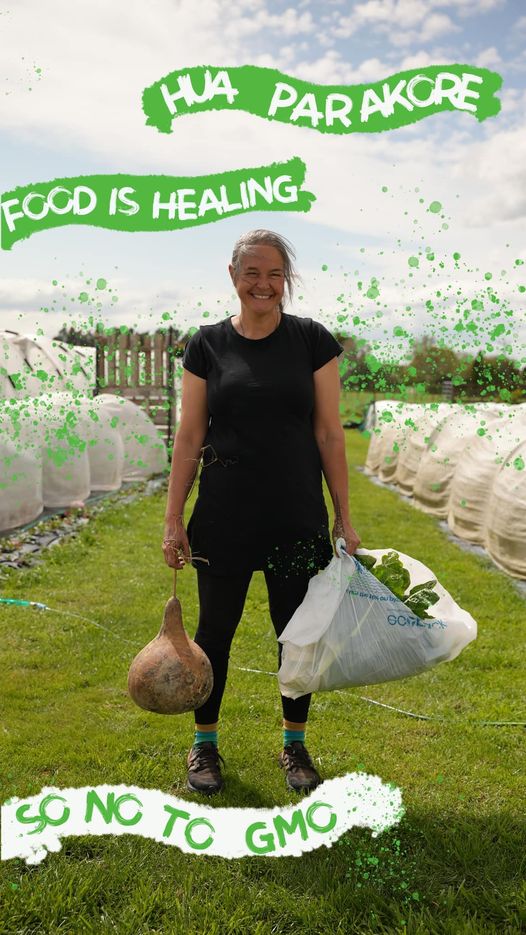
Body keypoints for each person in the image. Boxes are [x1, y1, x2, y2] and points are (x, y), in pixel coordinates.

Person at [162, 229, 360, 796]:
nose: (263, 284)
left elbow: (329, 433)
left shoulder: (312, 342)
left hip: (294, 512)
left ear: (286, 280)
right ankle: (204, 747)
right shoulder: (206, 346)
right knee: (213, 634)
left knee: (295, 636)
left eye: (274, 273)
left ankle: (294, 746)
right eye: (252, 272)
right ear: (233, 277)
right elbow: (190, 435)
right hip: (224, 515)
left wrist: (343, 514)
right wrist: (174, 519)